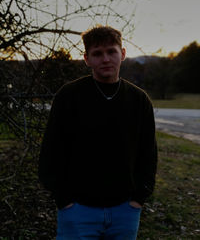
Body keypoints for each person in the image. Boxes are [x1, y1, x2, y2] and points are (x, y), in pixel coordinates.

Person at [38, 25, 157, 240]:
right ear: (86, 59)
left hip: (125, 211)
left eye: (111, 51)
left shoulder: (139, 100)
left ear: (122, 54)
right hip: (78, 211)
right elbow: (51, 151)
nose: (105, 59)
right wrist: (64, 200)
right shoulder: (69, 96)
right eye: (97, 53)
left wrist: (139, 198)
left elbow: (148, 154)